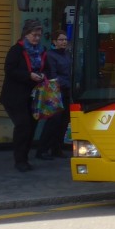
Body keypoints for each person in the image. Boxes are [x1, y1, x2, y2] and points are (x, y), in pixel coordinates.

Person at [0, 19, 48, 172]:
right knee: (23, 125)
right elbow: (10, 70)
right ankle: (19, 160)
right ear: (26, 34)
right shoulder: (16, 50)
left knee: (31, 126)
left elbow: (45, 68)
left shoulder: (41, 51)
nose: (37, 38)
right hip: (15, 96)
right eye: (34, 35)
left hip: (32, 96)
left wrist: (42, 76)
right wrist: (29, 75)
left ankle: (24, 158)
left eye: (39, 36)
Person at [36, 30, 72, 160]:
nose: (63, 42)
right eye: (61, 40)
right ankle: (42, 149)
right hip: (55, 91)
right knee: (53, 122)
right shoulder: (50, 55)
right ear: (54, 42)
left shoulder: (67, 54)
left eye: (65, 40)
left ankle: (56, 148)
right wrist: (67, 83)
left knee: (64, 122)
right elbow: (52, 74)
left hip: (67, 91)